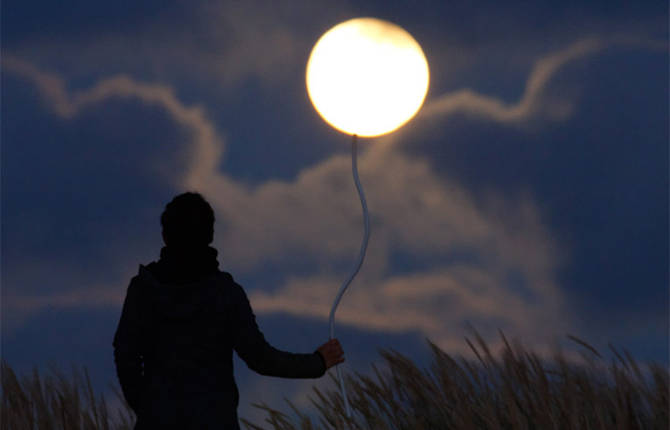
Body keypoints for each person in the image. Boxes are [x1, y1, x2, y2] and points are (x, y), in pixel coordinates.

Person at [113, 192, 344, 429]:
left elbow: (124, 354)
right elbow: (261, 359)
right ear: (211, 236)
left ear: (165, 235)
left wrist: (148, 409)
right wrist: (317, 363)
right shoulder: (226, 294)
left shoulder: (143, 289)